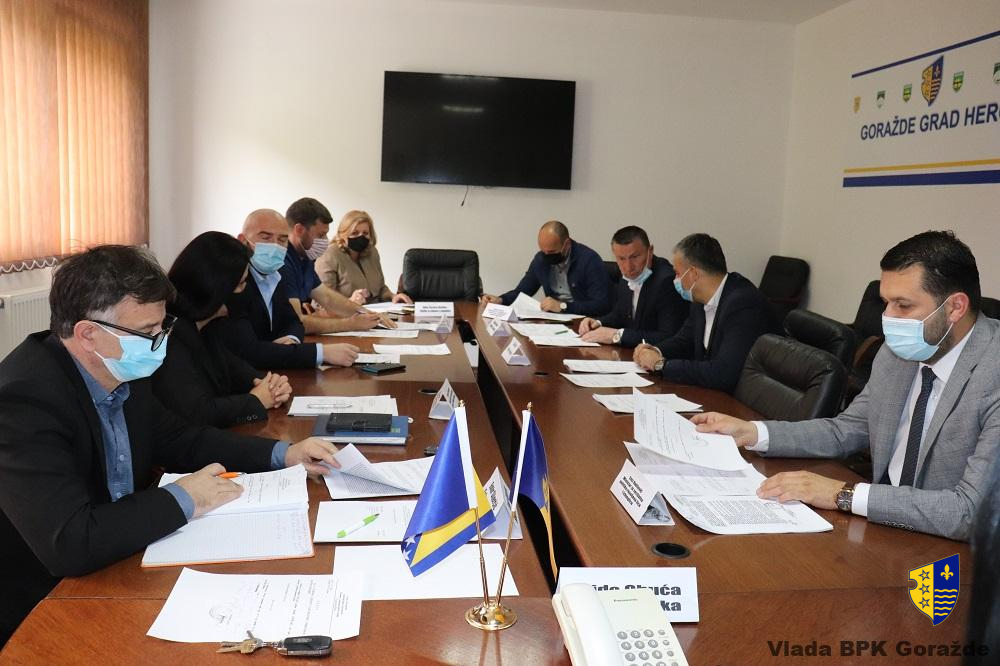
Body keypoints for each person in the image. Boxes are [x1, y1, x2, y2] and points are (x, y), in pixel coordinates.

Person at [0, 245, 341, 645]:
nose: (160, 343)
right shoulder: (23, 401)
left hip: (121, 558)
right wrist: (185, 497)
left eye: (162, 327)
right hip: (41, 604)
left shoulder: (121, 369)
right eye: (147, 332)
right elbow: (70, 543)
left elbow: (180, 439)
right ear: (88, 334)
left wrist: (285, 453)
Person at [693, 231, 1000, 541]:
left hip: (953, 553)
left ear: (955, 307)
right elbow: (846, 430)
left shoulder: (993, 374)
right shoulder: (899, 352)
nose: (887, 318)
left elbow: (971, 512)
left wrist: (842, 494)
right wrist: (753, 432)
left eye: (903, 305)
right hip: (882, 529)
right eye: (886, 303)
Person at [154, 232, 292, 428]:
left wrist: (273, 386)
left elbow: (242, 374)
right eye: (241, 283)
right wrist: (256, 401)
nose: (245, 291)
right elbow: (198, 413)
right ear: (215, 287)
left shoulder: (208, 329)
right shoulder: (170, 335)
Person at [204, 209, 359, 370]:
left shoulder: (275, 276)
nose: (275, 246)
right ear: (243, 241)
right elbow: (249, 351)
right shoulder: (235, 283)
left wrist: (291, 339)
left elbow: (294, 321)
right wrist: (321, 353)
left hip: (274, 370)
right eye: (266, 238)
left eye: (282, 239)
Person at [634, 233, 779, 392]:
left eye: (677, 273)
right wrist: (654, 351)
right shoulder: (700, 299)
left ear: (693, 274)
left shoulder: (744, 304)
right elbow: (684, 341)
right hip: (713, 392)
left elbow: (724, 373)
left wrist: (661, 365)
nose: (675, 279)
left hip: (747, 399)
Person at [281, 197, 388, 333]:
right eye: (321, 235)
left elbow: (327, 297)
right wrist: (351, 324)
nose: (325, 240)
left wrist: (367, 313)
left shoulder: (305, 258)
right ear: (299, 230)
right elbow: (297, 322)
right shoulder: (283, 261)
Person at [577, 225, 688, 347]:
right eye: (621, 259)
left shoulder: (666, 281)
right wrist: (598, 322)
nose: (628, 267)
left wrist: (617, 335)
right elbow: (620, 314)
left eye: (635, 257)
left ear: (650, 251)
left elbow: (669, 336)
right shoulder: (626, 277)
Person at [481, 220, 610, 315]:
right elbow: (523, 291)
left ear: (567, 244)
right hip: (553, 320)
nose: (547, 256)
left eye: (552, 252)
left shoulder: (589, 260)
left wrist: (563, 306)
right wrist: (500, 300)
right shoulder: (541, 260)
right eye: (543, 251)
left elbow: (601, 305)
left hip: (582, 322)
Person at [314, 209, 412, 306]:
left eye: (365, 233)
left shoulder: (372, 252)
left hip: (376, 312)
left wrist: (393, 296)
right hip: (346, 313)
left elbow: (380, 288)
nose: (361, 237)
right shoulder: (329, 255)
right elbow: (320, 303)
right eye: (354, 233)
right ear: (342, 234)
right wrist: (350, 302)